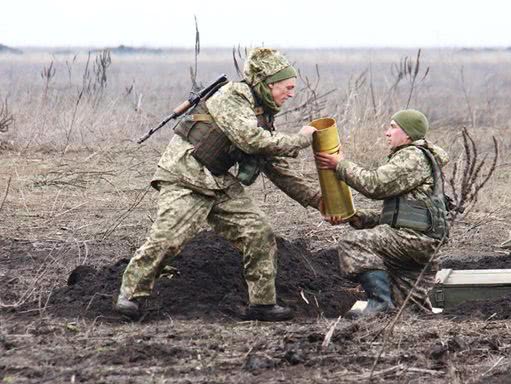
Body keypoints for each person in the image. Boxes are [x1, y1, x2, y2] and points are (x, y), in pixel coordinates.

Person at [115, 48, 322, 322]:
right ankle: (130, 296)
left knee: (258, 232)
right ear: (269, 83)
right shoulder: (234, 96)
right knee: (168, 239)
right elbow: (252, 140)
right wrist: (302, 139)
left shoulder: (262, 113)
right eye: (288, 87)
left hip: (218, 182)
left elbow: (277, 167)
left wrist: (319, 200)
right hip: (185, 177)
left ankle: (262, 304)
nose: (291, 93)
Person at [315, 109, 449, 318]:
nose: (387, 132)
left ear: (408, 134)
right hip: (420, 244)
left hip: (412, 240)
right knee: (410, 314)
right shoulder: (422, 159)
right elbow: (400, 215)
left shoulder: (412, 155)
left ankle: (379, 302)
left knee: (353, 242)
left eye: (393, 127)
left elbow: (375, 185)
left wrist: (339, 165)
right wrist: (355, 216)